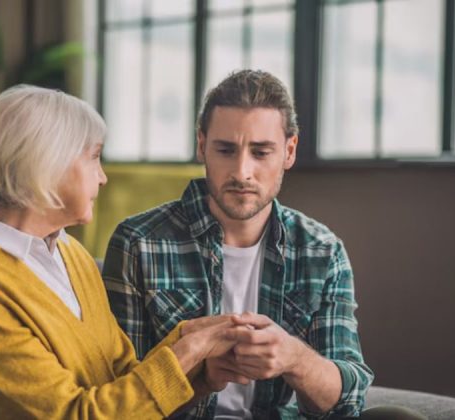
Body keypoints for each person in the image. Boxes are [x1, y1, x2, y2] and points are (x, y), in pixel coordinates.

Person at [103, 70, 425, 419]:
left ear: (289, 151)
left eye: (260, 152)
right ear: (201, 146)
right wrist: (202, 377)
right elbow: (123, 399)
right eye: (226, 150)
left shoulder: (322, 252)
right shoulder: (139, 243)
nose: (242, 172)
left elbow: (346, 402)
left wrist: (294, 358)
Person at [0, 85, 249, 419]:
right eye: (94, 157)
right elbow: (73, 414)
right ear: (47, 164)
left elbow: (122, 382)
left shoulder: (70, 252)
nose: (103, 177)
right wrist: (187, 352)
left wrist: (200, 372)